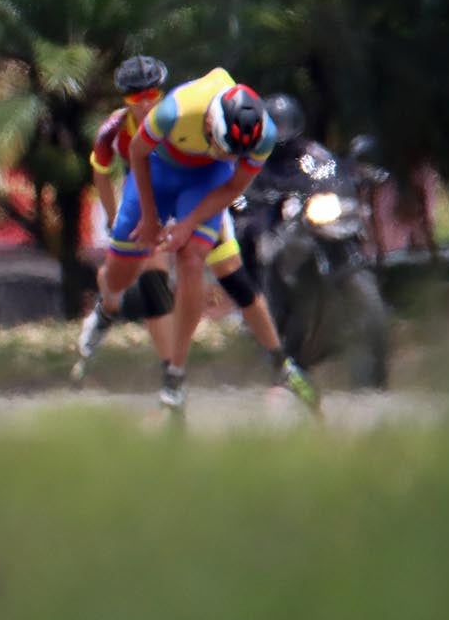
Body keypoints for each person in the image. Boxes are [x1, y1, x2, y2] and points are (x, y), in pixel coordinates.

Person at [78, 58, 318, 409]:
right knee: (121, 271)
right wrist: (147, 216)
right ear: (209, 120)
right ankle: (106, 306)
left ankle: (174, 376)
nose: (221, 151)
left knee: (192, 259)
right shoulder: (173, 111)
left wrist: (188, 224)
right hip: (159, 168)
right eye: (218, 143)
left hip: (208, 179)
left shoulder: (261, 138)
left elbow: (234, 184)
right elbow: (138, 154)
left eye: (230, 151)